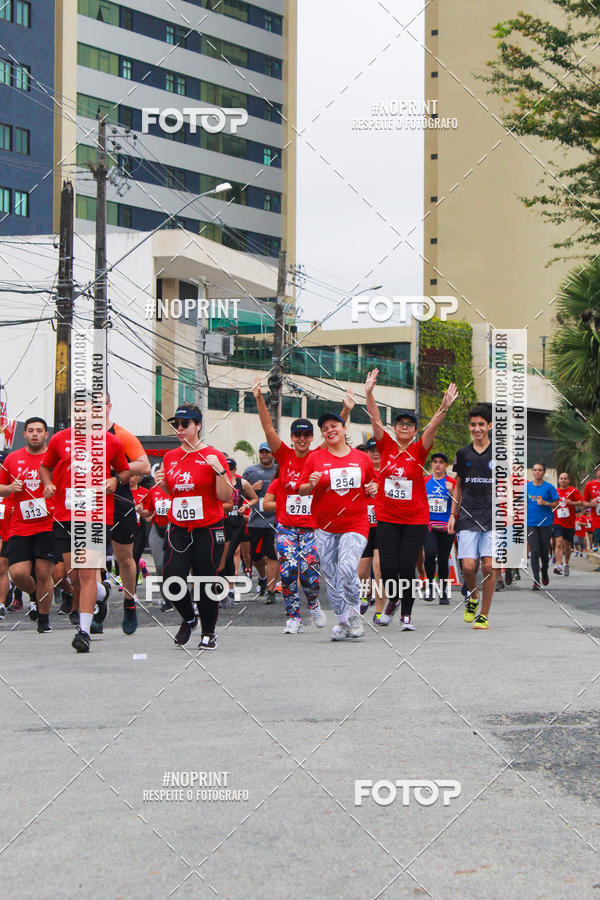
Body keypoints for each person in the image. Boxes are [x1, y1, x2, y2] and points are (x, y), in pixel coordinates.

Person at [252, 378, 355, 632]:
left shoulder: (318, 455)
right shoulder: (284, 455)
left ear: (311, 437)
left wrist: (347, 410)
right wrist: (258, 398)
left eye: (306, 434)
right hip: (286, 528)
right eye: (297, 434)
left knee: (309, 575)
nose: (301, 438)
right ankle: (293, 617)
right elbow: (267, 429)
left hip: (312, 529)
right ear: (292, 437)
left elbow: (335, 431)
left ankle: (312, 604)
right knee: (287, 572)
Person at [365, 369, 458, 630]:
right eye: (400, 424)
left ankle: (406, 614)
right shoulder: (386, 446)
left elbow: (434, 425)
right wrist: (369, 392)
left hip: (415, 518)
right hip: (387, 517)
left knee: (407, 566)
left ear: (415, 431)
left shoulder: (419, 450)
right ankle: (393, 599)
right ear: (394, 429)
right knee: (389, 567)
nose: (404, 428)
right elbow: (374, 417)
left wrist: (443, 406)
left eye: (409, 425)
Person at [40, 405, 131, 652]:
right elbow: (45, 466)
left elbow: (124, 470)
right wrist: (47, 484)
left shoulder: (111, 442)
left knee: (88, 573)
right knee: (73, 576)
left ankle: (83, 631)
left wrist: (115, 479)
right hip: (65, 514)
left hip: (96, 515)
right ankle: (102, 593)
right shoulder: (60, 439)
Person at [156, 404, 234, 649]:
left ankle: (208, 633)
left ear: (198, 426)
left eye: (185, 424)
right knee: (171, 578)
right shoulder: (170, 457)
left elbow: (224, 497)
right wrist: (163, 484)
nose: (179, 429)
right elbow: (174, 493)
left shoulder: (213, 455)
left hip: (208, 528)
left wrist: (219, 471)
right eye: (176, 425)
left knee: (204, 581)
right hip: (179, 527)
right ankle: (190, 619)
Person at [297, 412, 378, 641]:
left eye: (334, 426)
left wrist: (373, 488)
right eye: (324, 428)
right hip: (324, 526)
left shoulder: (361, 457)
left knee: (347, 568)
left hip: (355, 523)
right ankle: (342, 621)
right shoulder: (315, 458)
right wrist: (310, 484)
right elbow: (301, 489)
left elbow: (373, 482)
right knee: (331, 576)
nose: (329, 430)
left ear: (343, 429)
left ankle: (355, 615)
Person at [0, 417, 58, 633]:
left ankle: (43, 619)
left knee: (44, 573)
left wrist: (52, 488)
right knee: (19, 574)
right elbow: (0, 487)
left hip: (47, 524)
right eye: (31, 430)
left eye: (39, 430)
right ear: (24, 434)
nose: (35, 434)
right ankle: (34, 594)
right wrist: (10, 489)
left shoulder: (54, 459)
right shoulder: (12, 459)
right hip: (20, 526)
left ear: (46, 434)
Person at [106, 393, 151, 634]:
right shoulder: (77, 436)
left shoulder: (119, 434)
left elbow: (143, 464)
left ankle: (129, 602)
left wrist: (113, 467)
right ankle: (95, 603)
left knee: (124, 558)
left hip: (119, 499)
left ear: (108, 406)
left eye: (98, 405)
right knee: (86, 559)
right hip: (87, 502)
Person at [448, 403, 495, 630]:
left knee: (488, 566)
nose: (477, 429)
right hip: (467, 515)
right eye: (473, 425)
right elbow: (458, 485)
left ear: (490, 426)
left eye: (481, 425)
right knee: (468, 566)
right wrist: (452, 515)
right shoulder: (463, 453)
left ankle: (483, 615)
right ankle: (473, 596)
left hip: (492, 516)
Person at [242, 442, 279, 604]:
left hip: (274, 520)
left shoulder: (279, 471)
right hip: (256, 520)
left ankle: (271, 591)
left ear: (272, 454)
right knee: (255, 556)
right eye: (262, 452)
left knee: (271, 555)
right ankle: (263, 578)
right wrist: (252, 489)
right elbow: (239, 492)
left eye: (267, 452)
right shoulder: (251, 471)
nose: (264, 454)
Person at [220, 458, 258, 603]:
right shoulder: (220, 482)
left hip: (237, 523)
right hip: (222, 522)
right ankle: (223, 585)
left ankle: (230, 587)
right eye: (226, 469)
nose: (229, 472)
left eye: (231, 469)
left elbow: (254, 498)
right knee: (221, 556)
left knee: (229, 554)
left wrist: (246, 507)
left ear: (235, 469)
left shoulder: (242, 483)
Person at [424, 452, 456, 605]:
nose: (438, 465)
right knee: (429, 553)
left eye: (441, 462)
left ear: (446, 465)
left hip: (446, 525)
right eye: (435, 462)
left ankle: (443, 591)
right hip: (428, 525)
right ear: (431, 464)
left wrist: (452, 492)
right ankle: (430, 584)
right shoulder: (424, 482)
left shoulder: (452, 482)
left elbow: (460, 503)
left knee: (443, 558)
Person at [357, 438, 382, 620]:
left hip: (384, 526)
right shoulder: (359, 473)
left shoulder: (389, 473)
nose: (374, 453)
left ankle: (380, 611)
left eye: (378, 449)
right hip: (363, 525)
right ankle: (365, 595)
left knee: (379, 568)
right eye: (370, 449)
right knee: (361, 571)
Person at [526, 463, 559, 590]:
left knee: (544, 552)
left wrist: (546, 503)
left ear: (543, 472)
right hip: (531, 524)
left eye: (540, 470)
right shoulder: (527, 487)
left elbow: (556, 504)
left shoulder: (549, 488)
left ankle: (544, 570)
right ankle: (536, 580)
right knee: (534, 551)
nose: (537, 472)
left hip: (545, 523)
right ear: (532, 472)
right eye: (535, 470)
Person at [140, 481, 172, 609]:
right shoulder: (153, 489)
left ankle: (182, 594)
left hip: (174, 529)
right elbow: (148, 511)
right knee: (159, 566)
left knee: (175, 566)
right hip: (157, 528)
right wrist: (142, 511)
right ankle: (166, 599)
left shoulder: (176, 487)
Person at [552, 472, 583, 576]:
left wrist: (571, 503)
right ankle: (558, 565)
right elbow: (552, 504)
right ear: (558, 480)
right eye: (561, 478)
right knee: (559, 543)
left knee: (568, 546)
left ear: (568, 480)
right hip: (557, 521)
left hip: (569, 523)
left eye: (565, 478)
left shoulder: (573, 491)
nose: (563, 480)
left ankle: (566, 564)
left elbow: (581, 502)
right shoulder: (555, 492)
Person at [582, 464, 600, 552]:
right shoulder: (590, 485)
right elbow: (584, 502)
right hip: (597, 519)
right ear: (596, 471)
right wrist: (590, 504)